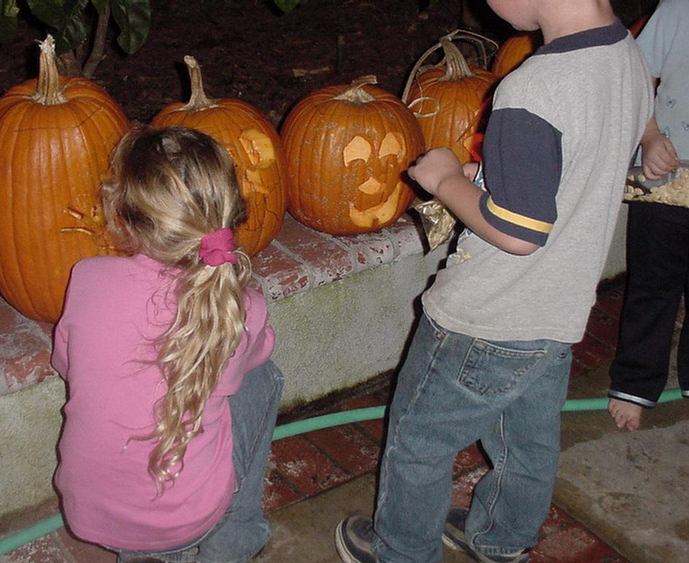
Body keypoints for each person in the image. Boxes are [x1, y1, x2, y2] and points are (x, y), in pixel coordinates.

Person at [334, 0, 653, 562]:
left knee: (419, 443)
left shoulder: (535, 89)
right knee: (527, 444)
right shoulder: (624, 52)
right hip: (557, 313)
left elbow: (517, 232)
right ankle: (501, 540)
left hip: (483, 317)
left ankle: (401, 551)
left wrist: (446, 180)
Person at [51, 126, 283, 563]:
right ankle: (234, 542)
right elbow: (258, 353)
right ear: (231, 212)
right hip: (187, 520)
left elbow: (65, 364)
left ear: (123, 214)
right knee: (262, 377)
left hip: (91, 514)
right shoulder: (241, 309)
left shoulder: (86, 278)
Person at [608, 0, 689, 433]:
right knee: (653, 285)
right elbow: (637, 77)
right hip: (664, 181)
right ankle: (635, 383)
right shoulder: (679, 10)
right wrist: (651, 135)